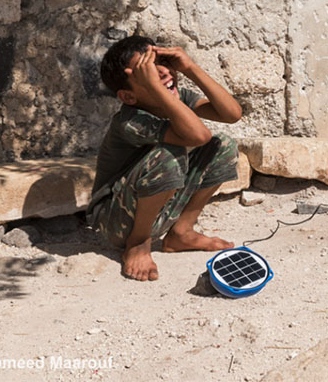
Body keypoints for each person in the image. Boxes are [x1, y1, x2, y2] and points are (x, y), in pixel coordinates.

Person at [88, 35, 244, 280]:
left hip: (152, 208)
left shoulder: (176, 97)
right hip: (115, 220)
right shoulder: (130, 120)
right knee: (167, 156)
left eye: (162, 63)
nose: (162, 72)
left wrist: (190, 68)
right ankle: (138, 244)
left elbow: (232, 114)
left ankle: (181, 232)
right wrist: (158, 89)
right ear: (129, 96)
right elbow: (198, 136)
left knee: (223, 145)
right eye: (147, 72)